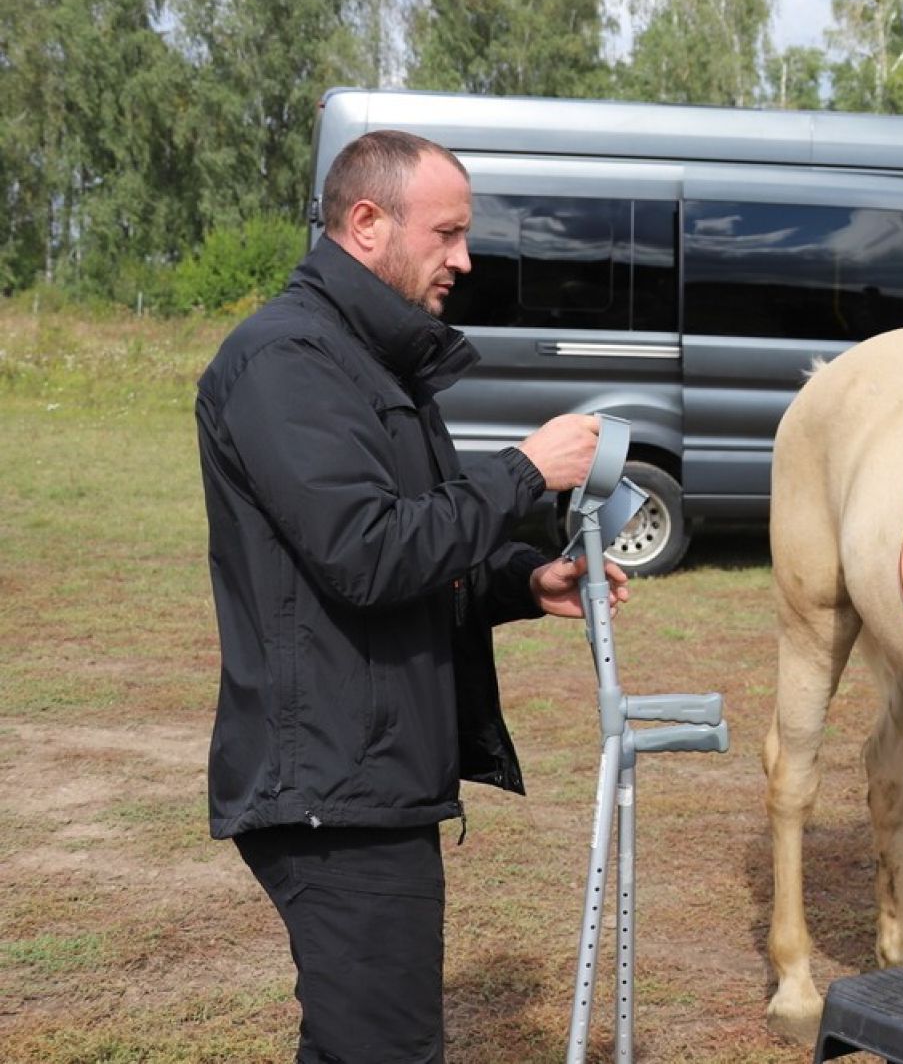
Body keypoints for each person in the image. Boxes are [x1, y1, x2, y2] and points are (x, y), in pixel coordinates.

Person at [197, 129, 626, 1062]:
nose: (464, 260)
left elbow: (417, 538)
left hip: (369, 773)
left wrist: (524, 578)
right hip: (334, 789)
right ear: (367, 223)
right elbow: (366, 552)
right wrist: (525, 472)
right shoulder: (288, 361)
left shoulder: (364, 358)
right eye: (447, 233)